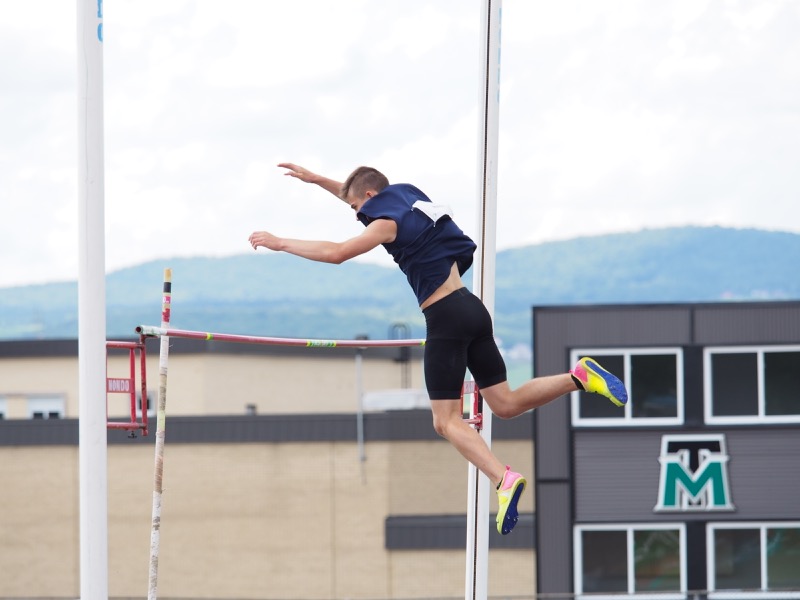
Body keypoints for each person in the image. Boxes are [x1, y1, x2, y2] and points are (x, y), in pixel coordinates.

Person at [249, 163, 628, 535]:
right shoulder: (409, 197)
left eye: (355, 208)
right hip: (471, 309)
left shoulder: (385, 224)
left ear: (370, 196)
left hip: (445, 319)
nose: (356, 216)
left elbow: (337, 252)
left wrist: (281, 243)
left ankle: (503, 478)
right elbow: (360, 192)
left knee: (445, 421)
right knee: (505, 403)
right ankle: (579, 377)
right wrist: (318, 180)